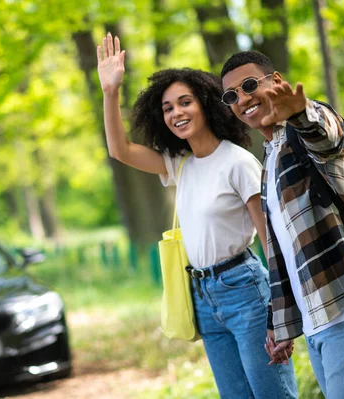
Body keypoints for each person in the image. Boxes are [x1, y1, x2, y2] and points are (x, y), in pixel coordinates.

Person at [97, 32, 297, 398]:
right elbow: (120, 149)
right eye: (168, 108)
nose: (176, 113)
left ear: (205, 104)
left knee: (273, 394)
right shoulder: (179, 165)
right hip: (202, 295)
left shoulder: (238, 162)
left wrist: (278, 314)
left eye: (185, 102)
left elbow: (271, 242)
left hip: (247, 291)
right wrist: (111, 91)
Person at [220, 50, 344, 398]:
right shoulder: (269, 158)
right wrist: (279, 322)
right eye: (231, 95)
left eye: (250, 85)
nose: (243, 98)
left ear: (277, 81)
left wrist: (300, 113)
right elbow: (285, 251)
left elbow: (324, 135)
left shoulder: (307, 127)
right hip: (319, 322)